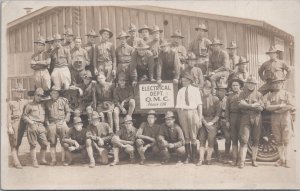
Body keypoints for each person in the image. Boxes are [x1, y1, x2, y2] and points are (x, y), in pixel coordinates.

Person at [264, 80, 295, 168]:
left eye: (278, 83)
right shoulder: (270, 95)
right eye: (274, 83)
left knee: (287, 140)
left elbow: (290, 105)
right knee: (278, 140)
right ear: (272, 85)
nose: (276, 85)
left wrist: (278, 110)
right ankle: (281, 159)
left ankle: (287, 160)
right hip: (275, 119)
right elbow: (267, 107)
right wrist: (279, 106)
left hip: (285, 118)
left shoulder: (287, 94)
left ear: (282, 84)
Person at [238, 75, 264, 168]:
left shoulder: (259, 94)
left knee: (256, 139)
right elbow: (240, 104)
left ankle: (254, 160)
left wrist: (249, 106)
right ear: (246, 84)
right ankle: (242, 161)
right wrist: (252, 106)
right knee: (244, 139)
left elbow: (261, 107)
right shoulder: (242, 93)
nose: (251, 85)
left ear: (255, 85)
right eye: (249, 83)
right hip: (245, 118)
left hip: (257, 118)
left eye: (253, 83)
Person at [176, 73, 202, 164]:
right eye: (182, 81)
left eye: (185, 81)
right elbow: (178, 107)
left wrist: (199, 117)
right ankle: (188, 157)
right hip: (183, 113)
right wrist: (180, 118)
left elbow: (199, 105)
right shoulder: (180, 91)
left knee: (193, 136)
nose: (183, 82)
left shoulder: (195, 90)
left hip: (193, 112)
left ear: (190, 81)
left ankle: (194, 157)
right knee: (186, 136)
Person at [22, 88, 49, 168]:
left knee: (44, 144)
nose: (39, 97)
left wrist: (46, 124)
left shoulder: (43, 105)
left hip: (41, 126)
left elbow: (46, 115)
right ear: (34, 95)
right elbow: (24, 116)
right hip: (32, 126)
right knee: (33, 145)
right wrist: (31, 122)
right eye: (38, 95)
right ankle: (34, 161)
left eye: (41, 96)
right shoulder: (29, 105)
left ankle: (42, 160)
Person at [45, 86, 71, 166]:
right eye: (53, 93)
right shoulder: (47, 103)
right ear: (50, 93)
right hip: (52, 123)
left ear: (58, 93)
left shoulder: (63, 101)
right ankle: (53, 160)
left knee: (64, 141)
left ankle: (63, 159)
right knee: (52, 142)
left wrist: (65, 121)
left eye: (56, 93)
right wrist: (48, 124)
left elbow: (68, 112)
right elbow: (45, 115)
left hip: (61, 122)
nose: (54, 94)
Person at [197, 80, 221, 166]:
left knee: (211, 139)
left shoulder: (216, 99)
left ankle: (208, 159)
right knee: (202, 138)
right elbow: (199, 112)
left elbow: (218, 114)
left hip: (213, 121)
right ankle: (200, 159)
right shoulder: (200, 99)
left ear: (211, 89)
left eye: (209, 88)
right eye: (205, 88)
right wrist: (203, 121)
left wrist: (212, 122)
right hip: (203, 121)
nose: (207, 90)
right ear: (202, 89)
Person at [7, 83, 30, 169]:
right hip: (14, 123)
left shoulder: (25, 101)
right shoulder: (10, 103)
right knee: (13, 143)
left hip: (22, 124)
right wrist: (9, 127)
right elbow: (8, 116)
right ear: (14, 93)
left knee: (18, 143)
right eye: (17, 92)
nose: (19, 93)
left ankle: (16, 161)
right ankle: (16, 163)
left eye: (21, 92)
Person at [225, 77, 244, 166]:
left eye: (237, 85)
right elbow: (227, 110)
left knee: (242, 139)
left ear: (240, 86)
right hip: (233, 117)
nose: (235, 87)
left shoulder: (243, 94)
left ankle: (240, 159)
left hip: (242, 117)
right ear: (231, 87)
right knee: (234, 139)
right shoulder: (229, 97)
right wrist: (227, 121)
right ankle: (234, 159)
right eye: (233, 85)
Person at [215, 79, 231, 163]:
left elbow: (229, 111)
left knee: (228, 136)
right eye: (219, 90)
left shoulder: (228, 99)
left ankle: (227, 155)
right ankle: (217, 154)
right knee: (212, 135)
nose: (221, 92)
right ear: (217, 91)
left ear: (225, 91)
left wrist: (227, 121)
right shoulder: (215, 99)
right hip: (216, 120)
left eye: (223, 90)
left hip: (224, 120)